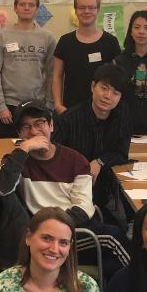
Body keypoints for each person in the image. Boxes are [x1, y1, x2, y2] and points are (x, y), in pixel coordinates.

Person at [0, 101, 130, 276]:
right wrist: (24, 148)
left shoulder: (75, 161)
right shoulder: (17, 161)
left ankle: (107, 290)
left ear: (51, 126)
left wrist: (58, 227)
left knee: (115, 244)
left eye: (40, 123)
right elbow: (1, 189)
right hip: (39, 236)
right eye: (26, 127)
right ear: (19, 134)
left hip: (71, 230)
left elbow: (84, 207)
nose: (34, 132)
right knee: (113, 239)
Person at [53, 63, 132, 220]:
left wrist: (99, 161)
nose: (108, 96)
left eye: (115, 93)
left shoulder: (122, 112)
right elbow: (54, 157)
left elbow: (122, 152)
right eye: (104, 88)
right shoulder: (69, 119)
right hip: (70, 190)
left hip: (103, 189)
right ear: (92, 87)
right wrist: (82, 169)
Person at [0, 0, 57, 138]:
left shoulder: (48, 38)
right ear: (15, 7)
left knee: (37, 152)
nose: (26, 8)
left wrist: (50, 106)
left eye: (31, 5)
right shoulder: (1, 36)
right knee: (8, 154)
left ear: (37, 9)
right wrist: (0, 106)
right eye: (22, 4)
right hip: (9, 108)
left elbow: (53, 74)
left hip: (37, 106)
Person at [51, 0, 121, 114]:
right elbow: (57, 76)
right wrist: (58, 105)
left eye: (91, 7)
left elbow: (117, 78)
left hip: (102, 112)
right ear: (76, 11)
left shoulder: (110, 42)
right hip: (70, 111)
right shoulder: (65, 41)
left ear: (98, 10)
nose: (87, 11)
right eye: (82, 7)